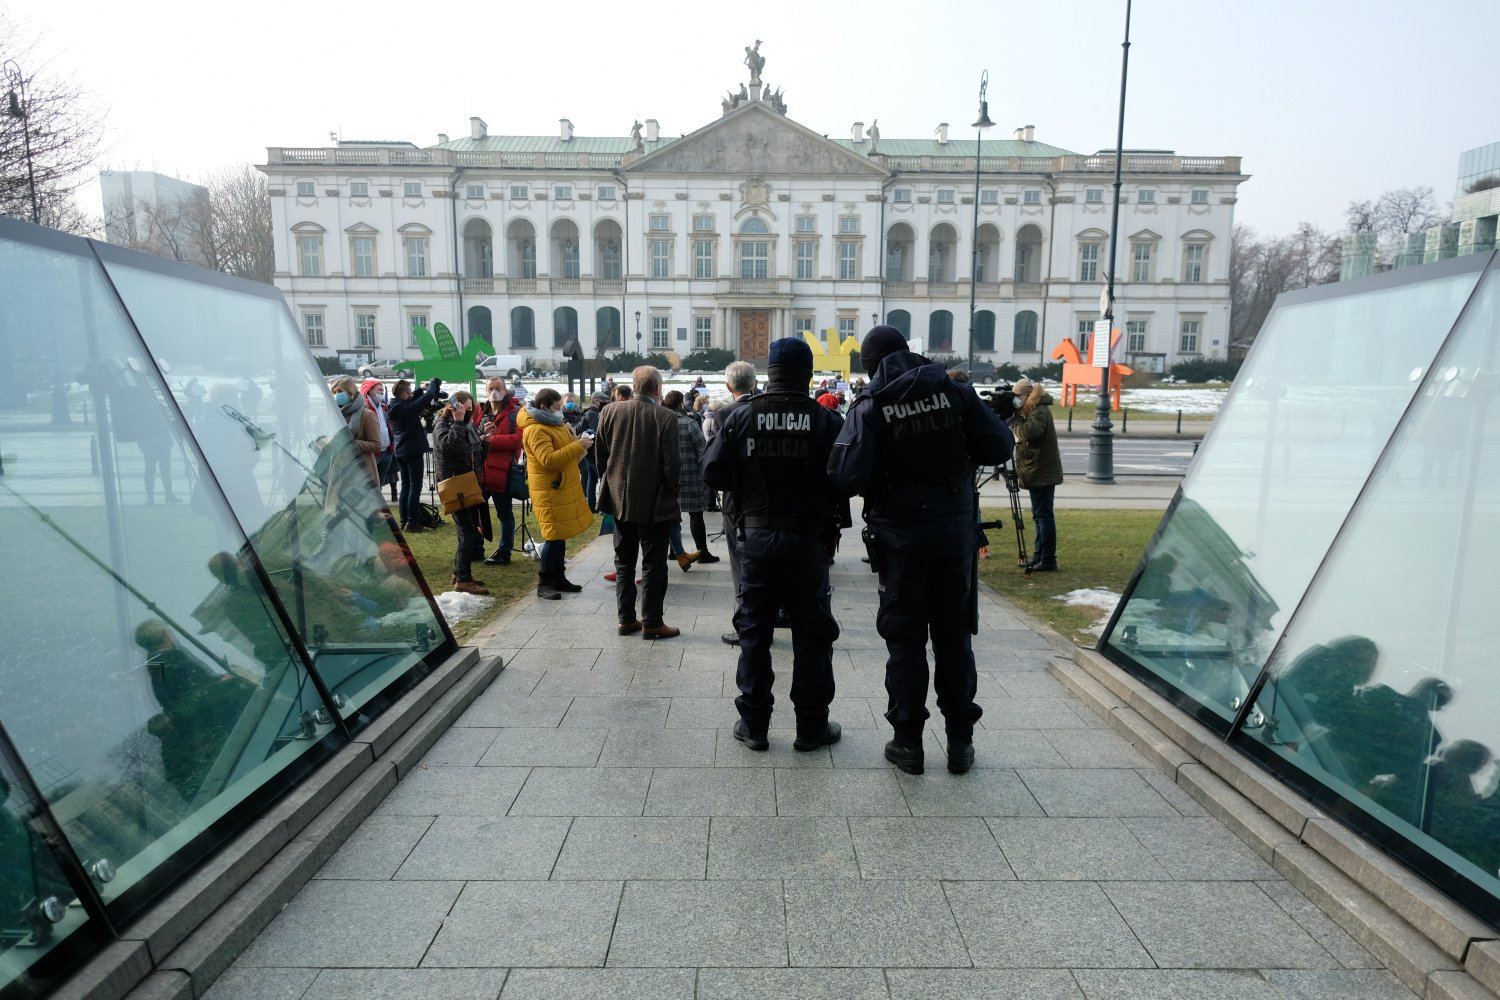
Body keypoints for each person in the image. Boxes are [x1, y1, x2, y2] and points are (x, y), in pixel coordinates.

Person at [828, 325, 1010, 775]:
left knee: (905, 643)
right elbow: (999, 445)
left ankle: (908, 743)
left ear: (871, 365)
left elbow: (845, 476)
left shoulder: (872, 404)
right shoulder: (955, 392)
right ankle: (960, 741)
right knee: (954, 639)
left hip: (900, 541)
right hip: (953, 535)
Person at [703, 338, 846, 752]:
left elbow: (712, 472)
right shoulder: (826, 420)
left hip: (757, 539)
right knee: (812, 636)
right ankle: (811, 727)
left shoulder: (742, 416)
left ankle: (755, 725)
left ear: (770, 372)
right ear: (808, 374)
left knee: (754, 633)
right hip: (808, 542)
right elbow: (847, 477)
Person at [595, 365, 682, 639]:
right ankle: (652, 622)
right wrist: (672, 489)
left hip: (619, 497)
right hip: (655, 501)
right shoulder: (665, 417)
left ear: (634, 386)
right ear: (657, 388)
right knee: (654, 564)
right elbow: (672, 464)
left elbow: (600, 455)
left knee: (624, 562)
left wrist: (610, 479)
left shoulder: (609, 411)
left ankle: (626, 619)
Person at [518, 388, 594, 600]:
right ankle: (544, 583)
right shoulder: (535, 429)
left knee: (560, 534)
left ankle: (558, 577)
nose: (561, 410)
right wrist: (577, 446)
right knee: (553, 536)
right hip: (548, 490)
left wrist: (578, 442)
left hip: (559, 487)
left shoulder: (554, 423)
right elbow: (548, 460)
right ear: (543, 407)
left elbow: (565, 453)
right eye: (557, 407)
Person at [718, 361, 759, 646]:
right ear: (754, 383)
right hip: (765, 497)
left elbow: (716, 462)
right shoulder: (764, 408)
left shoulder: (726, 413)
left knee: (739, 564)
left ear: (728, 386)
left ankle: (745, 621)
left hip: (737, 499)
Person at [432, 390, 488, 594]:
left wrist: (486, 441)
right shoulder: (443, 425)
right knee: (467, 532)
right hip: (455, 486)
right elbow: (449, 448)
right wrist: (457, 421)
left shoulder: (467, 426)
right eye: (466, 409)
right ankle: (463, 579)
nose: (469, 413)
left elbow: (477, 457)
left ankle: (460, 573)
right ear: (454, 408)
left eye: (471, 409)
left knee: (467, 531)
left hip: (468, 484)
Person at [1008, 378, 1063, 572]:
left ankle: (1047, 559)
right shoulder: (1033, 409)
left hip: (1041, 470)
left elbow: (1028, 433)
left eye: (1018, 396)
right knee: (1039, 516)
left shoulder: (1039, 410)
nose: (1016, 399)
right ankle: (1040, 556)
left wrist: (1013, 421)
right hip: (1037, 470)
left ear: (1027, 395)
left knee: (1043, 516)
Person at [663, 390, 717, 570]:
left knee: (671, 515)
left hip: (668, 476)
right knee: (696, 515)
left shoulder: (661, 422)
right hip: (691, 475)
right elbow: (703, 449)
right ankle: (703, 552)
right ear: (681, 404)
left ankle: (673, 551)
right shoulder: (689, 423)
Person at [475, 377, 522, 565]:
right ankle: (476, 548)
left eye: (498, 388)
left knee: (504, 513)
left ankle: (504, 551)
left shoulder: (515, 412)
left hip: (502, 472)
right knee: (475, 511)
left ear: (505, 390)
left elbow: (518, 439)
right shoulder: (481, 411)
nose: (494, 392)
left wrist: (490, 441)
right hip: (481, 471)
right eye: (491, 388)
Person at [389, 377, 442, 533]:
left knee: (406, 486)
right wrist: (433, 384)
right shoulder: (406, 409)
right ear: (404, 394)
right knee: (415, 486)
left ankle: (404, 519)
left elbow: (412, 401)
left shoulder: (396, 406)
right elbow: (427, 397)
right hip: (412, 450)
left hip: (400, 451)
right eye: (409, 393)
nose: (411, 395)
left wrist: (420, 388)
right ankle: (412, 521)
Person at [360, 378, 396, 500]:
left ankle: (378, 506)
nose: (382, 393)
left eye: (383, 390)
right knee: (369, 484)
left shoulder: (384, 406)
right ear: (369, 391)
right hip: (372, 453)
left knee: (379, 483)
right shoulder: (364, 408)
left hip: (387, 452)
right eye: (379, 390)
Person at [579, 390, 609, 512]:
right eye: (604, 401)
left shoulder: (588, 412)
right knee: (601, 479)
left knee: (592, 479)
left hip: (589, 453)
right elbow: (596, 433)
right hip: (594, 453)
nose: (606, 403)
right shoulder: (593, 414)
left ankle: (592, 506)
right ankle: (601, 506)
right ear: (596, 401)